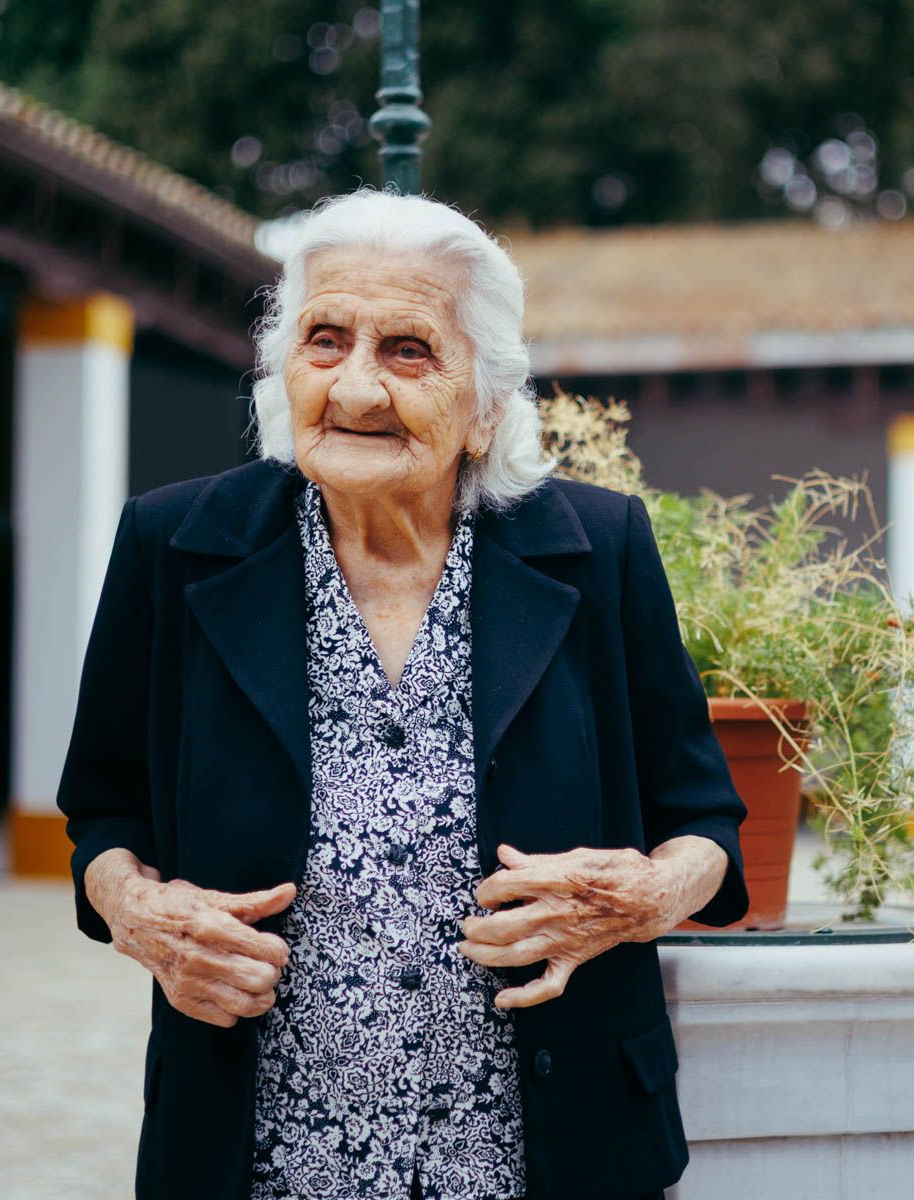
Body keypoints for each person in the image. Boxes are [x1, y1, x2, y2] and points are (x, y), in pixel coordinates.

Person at [58, 188, 749, 1200]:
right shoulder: (175, 546)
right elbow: (103, 812)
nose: (357, 387)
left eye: (410, 351)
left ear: (486, 404)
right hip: (261, 1157)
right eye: (325, 340)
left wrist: (640, 899)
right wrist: (142, 913)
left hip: (549, 1151)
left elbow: (707, 821)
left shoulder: (596, 550)